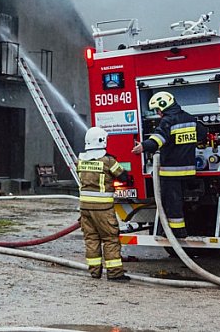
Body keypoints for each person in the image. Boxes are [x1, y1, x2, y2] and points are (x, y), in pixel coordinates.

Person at [131, 91, 206, 239]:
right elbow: (202, 134)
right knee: (180, 203)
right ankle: (170, 231)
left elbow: (158, 140)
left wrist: (143, 147)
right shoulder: (190, 119)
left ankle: (175, 233)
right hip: (189, 171)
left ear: (163, 108)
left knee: (171, 205)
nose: (157, 114)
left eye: (157, 110)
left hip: (170, 172)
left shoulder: (168, 121)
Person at [78, 126, 130, 281]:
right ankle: (115, 273)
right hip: (103, 208)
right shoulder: (108, 160)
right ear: (102, 141)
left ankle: (95, 272)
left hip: (85, 207)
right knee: (110, 238)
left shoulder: (80, 160)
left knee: (91, 238)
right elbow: (123, 176)